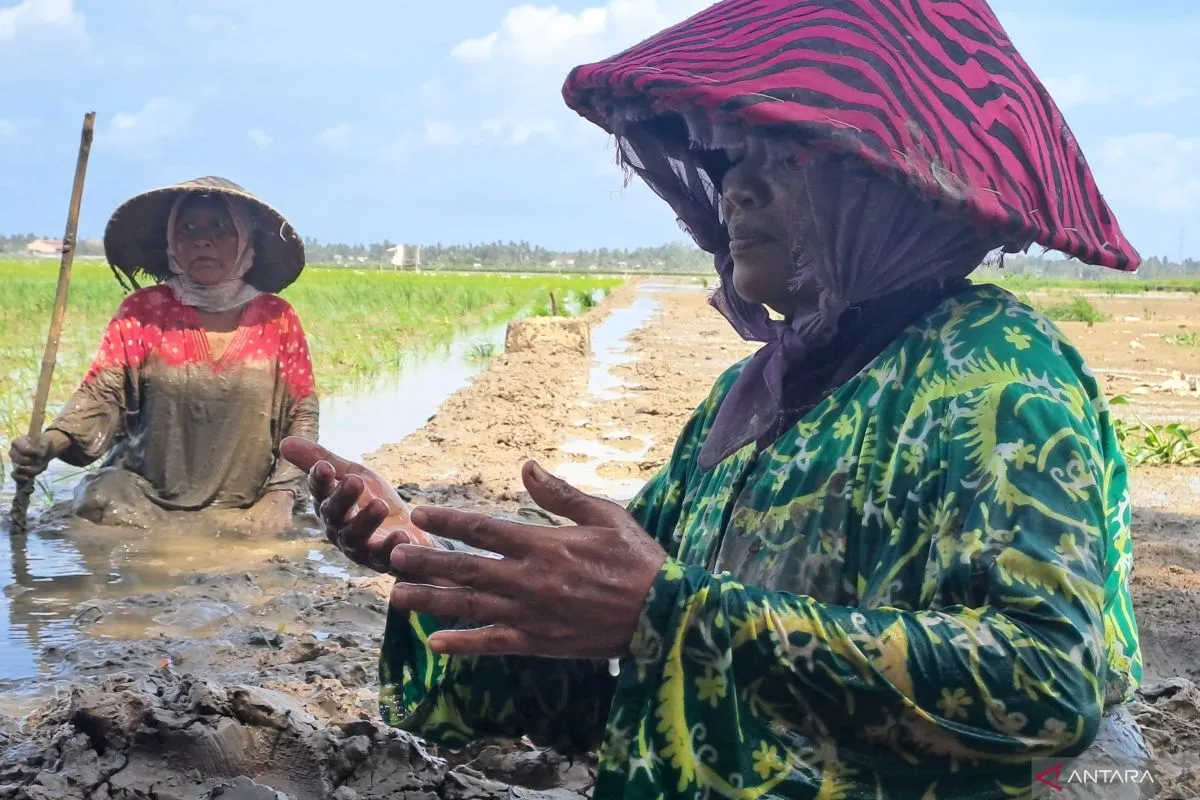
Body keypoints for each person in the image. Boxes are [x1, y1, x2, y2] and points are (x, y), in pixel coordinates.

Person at [282, 0, 1149, 796]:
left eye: (783, 158)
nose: (735, 187)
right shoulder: (754, 394)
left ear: (890, 185)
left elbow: (1045, 683)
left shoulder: (995, 380)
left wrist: (675, 613)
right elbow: (616, 647)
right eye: (731, 158)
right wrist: (432, 563)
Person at [10, 177, 318, 535]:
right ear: (173, 243)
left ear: (246, 240)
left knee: (281, 528)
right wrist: (48, 444)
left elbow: (302, 414)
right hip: (145, 501)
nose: (203, 239)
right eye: (187, 228)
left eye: (220, 227)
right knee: (101, 501)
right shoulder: (143, 311)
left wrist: (279, 495)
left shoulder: (275, 317)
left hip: (244, 502)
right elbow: (103, 395)